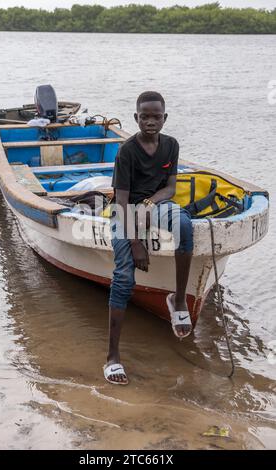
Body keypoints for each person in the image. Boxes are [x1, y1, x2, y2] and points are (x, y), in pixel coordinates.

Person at [103, 91, 193, 385]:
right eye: (145, 117)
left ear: (164, 118)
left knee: (184, 225)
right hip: (126, 210)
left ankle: (178, 300)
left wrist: (150, 204)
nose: (151, 122)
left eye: (156, 117)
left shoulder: (171, 146)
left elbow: (170, 187)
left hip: (154, 204)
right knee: (124, 276)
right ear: (136, 118)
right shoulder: (126, 151)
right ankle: (112, 357)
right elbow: (121, 200)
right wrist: (135, 243)